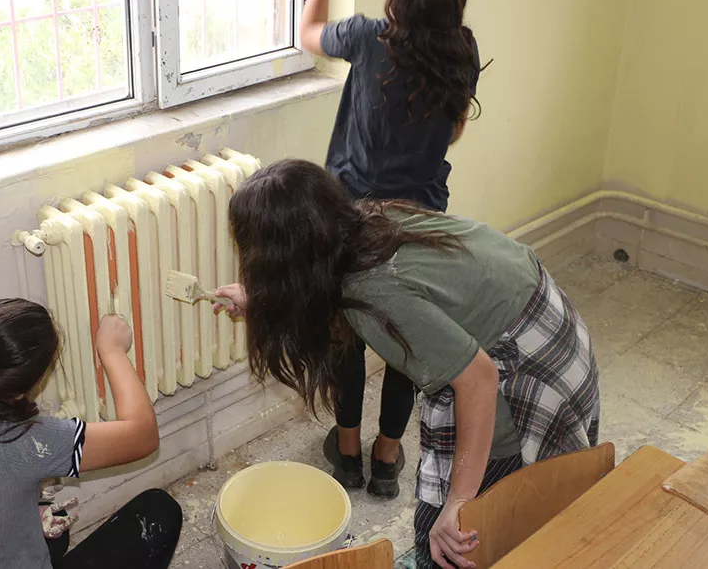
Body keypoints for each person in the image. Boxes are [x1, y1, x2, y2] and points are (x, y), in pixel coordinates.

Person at [214, 160, 600, 569]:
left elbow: (479, 381)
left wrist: (459, 503)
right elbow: (317, 286)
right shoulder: (362, 226)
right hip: (543, 319)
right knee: (459, 523)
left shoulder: (377, 292)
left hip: (528, 365)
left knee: (452, 536)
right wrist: (265, 297)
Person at [299, 0, 487, 499]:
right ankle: (388, 457)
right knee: (408, 336)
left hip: (353, 217)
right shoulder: (462, 51)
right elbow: (453, 131)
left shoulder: (366, 38)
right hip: (422, 221)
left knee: (348, 331)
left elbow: (307, 31)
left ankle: (348, 451)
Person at [0, 299, 182, 569]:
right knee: (160, 510)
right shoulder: (25, 441)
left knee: (56, 536)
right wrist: (112, 349)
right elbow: (143, 435)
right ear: (33, 381)